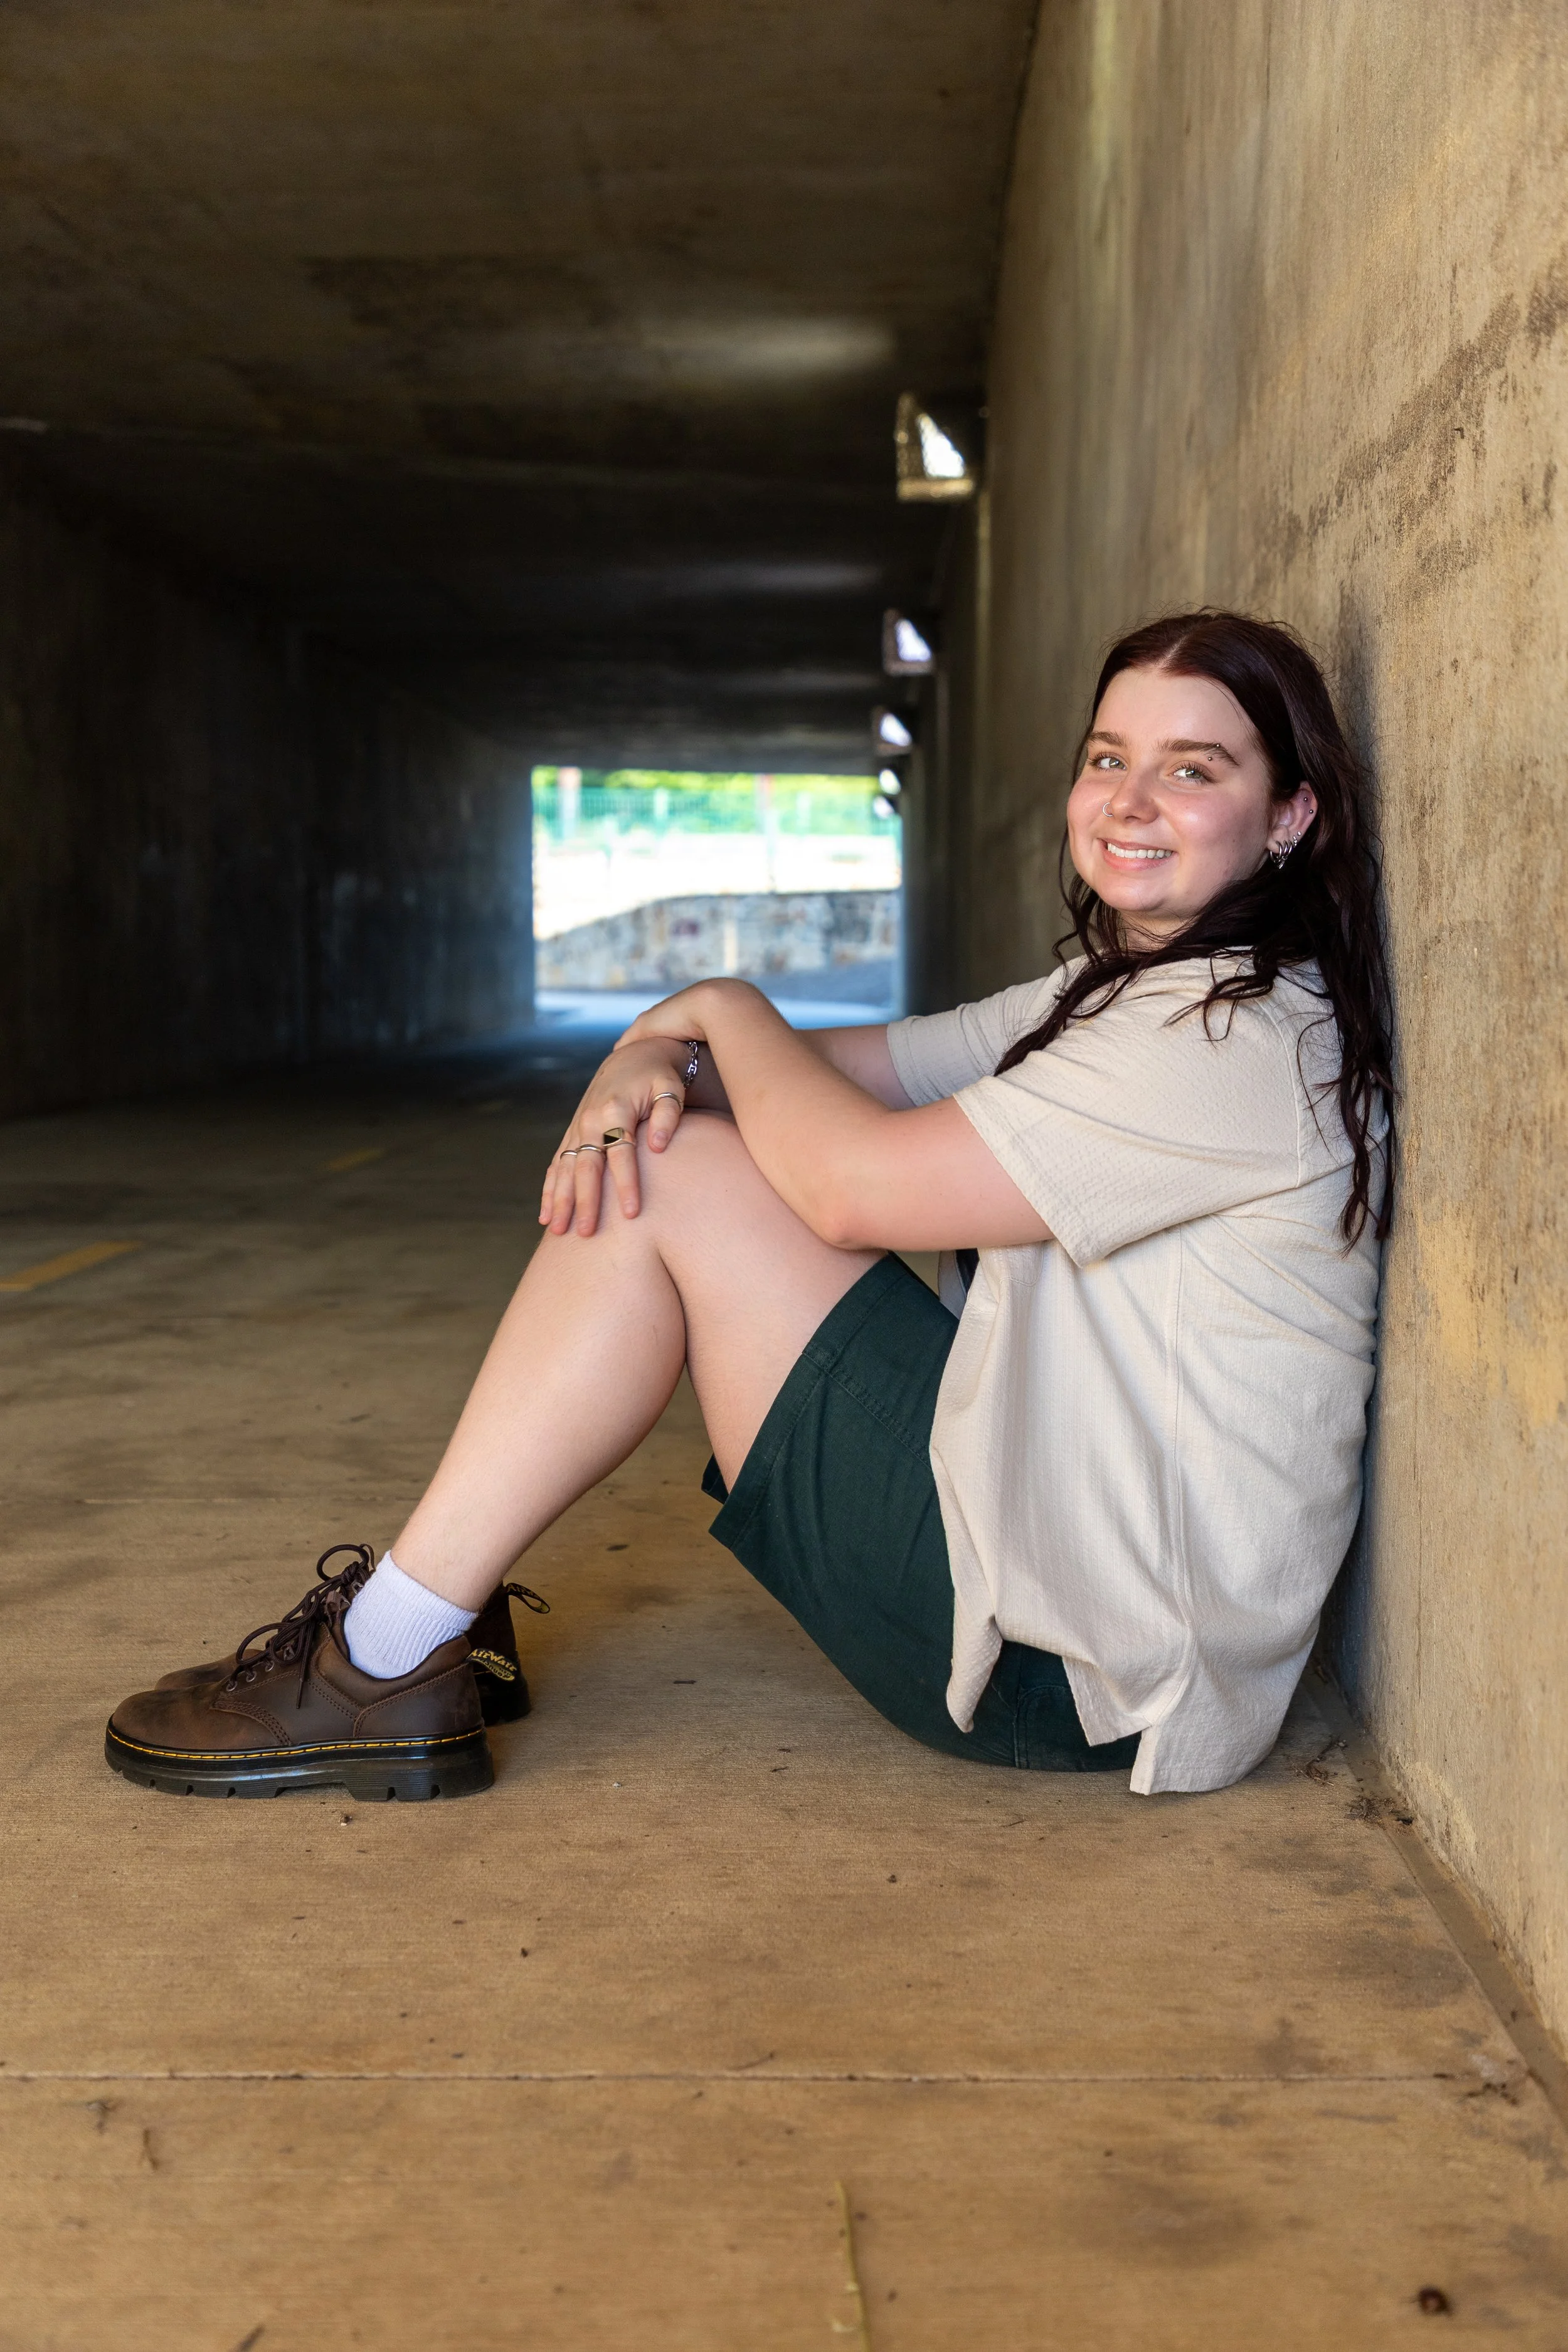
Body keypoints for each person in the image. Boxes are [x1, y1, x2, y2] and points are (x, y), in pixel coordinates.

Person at [105, 610, 1395, 1803]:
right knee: (683, 1134)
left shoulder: (1227, 1041)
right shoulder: (1125, 993)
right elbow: (845, 1071)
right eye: (1108, 756)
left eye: (1191, 769)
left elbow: (846, 1191)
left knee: (668, 1171)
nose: (1126, 801)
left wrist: (709, 1007)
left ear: (1286, 816)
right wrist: (649, 1059)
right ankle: (419, 1620)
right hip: (1070, 1562)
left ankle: (386, 1655)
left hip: (1080, 1669)